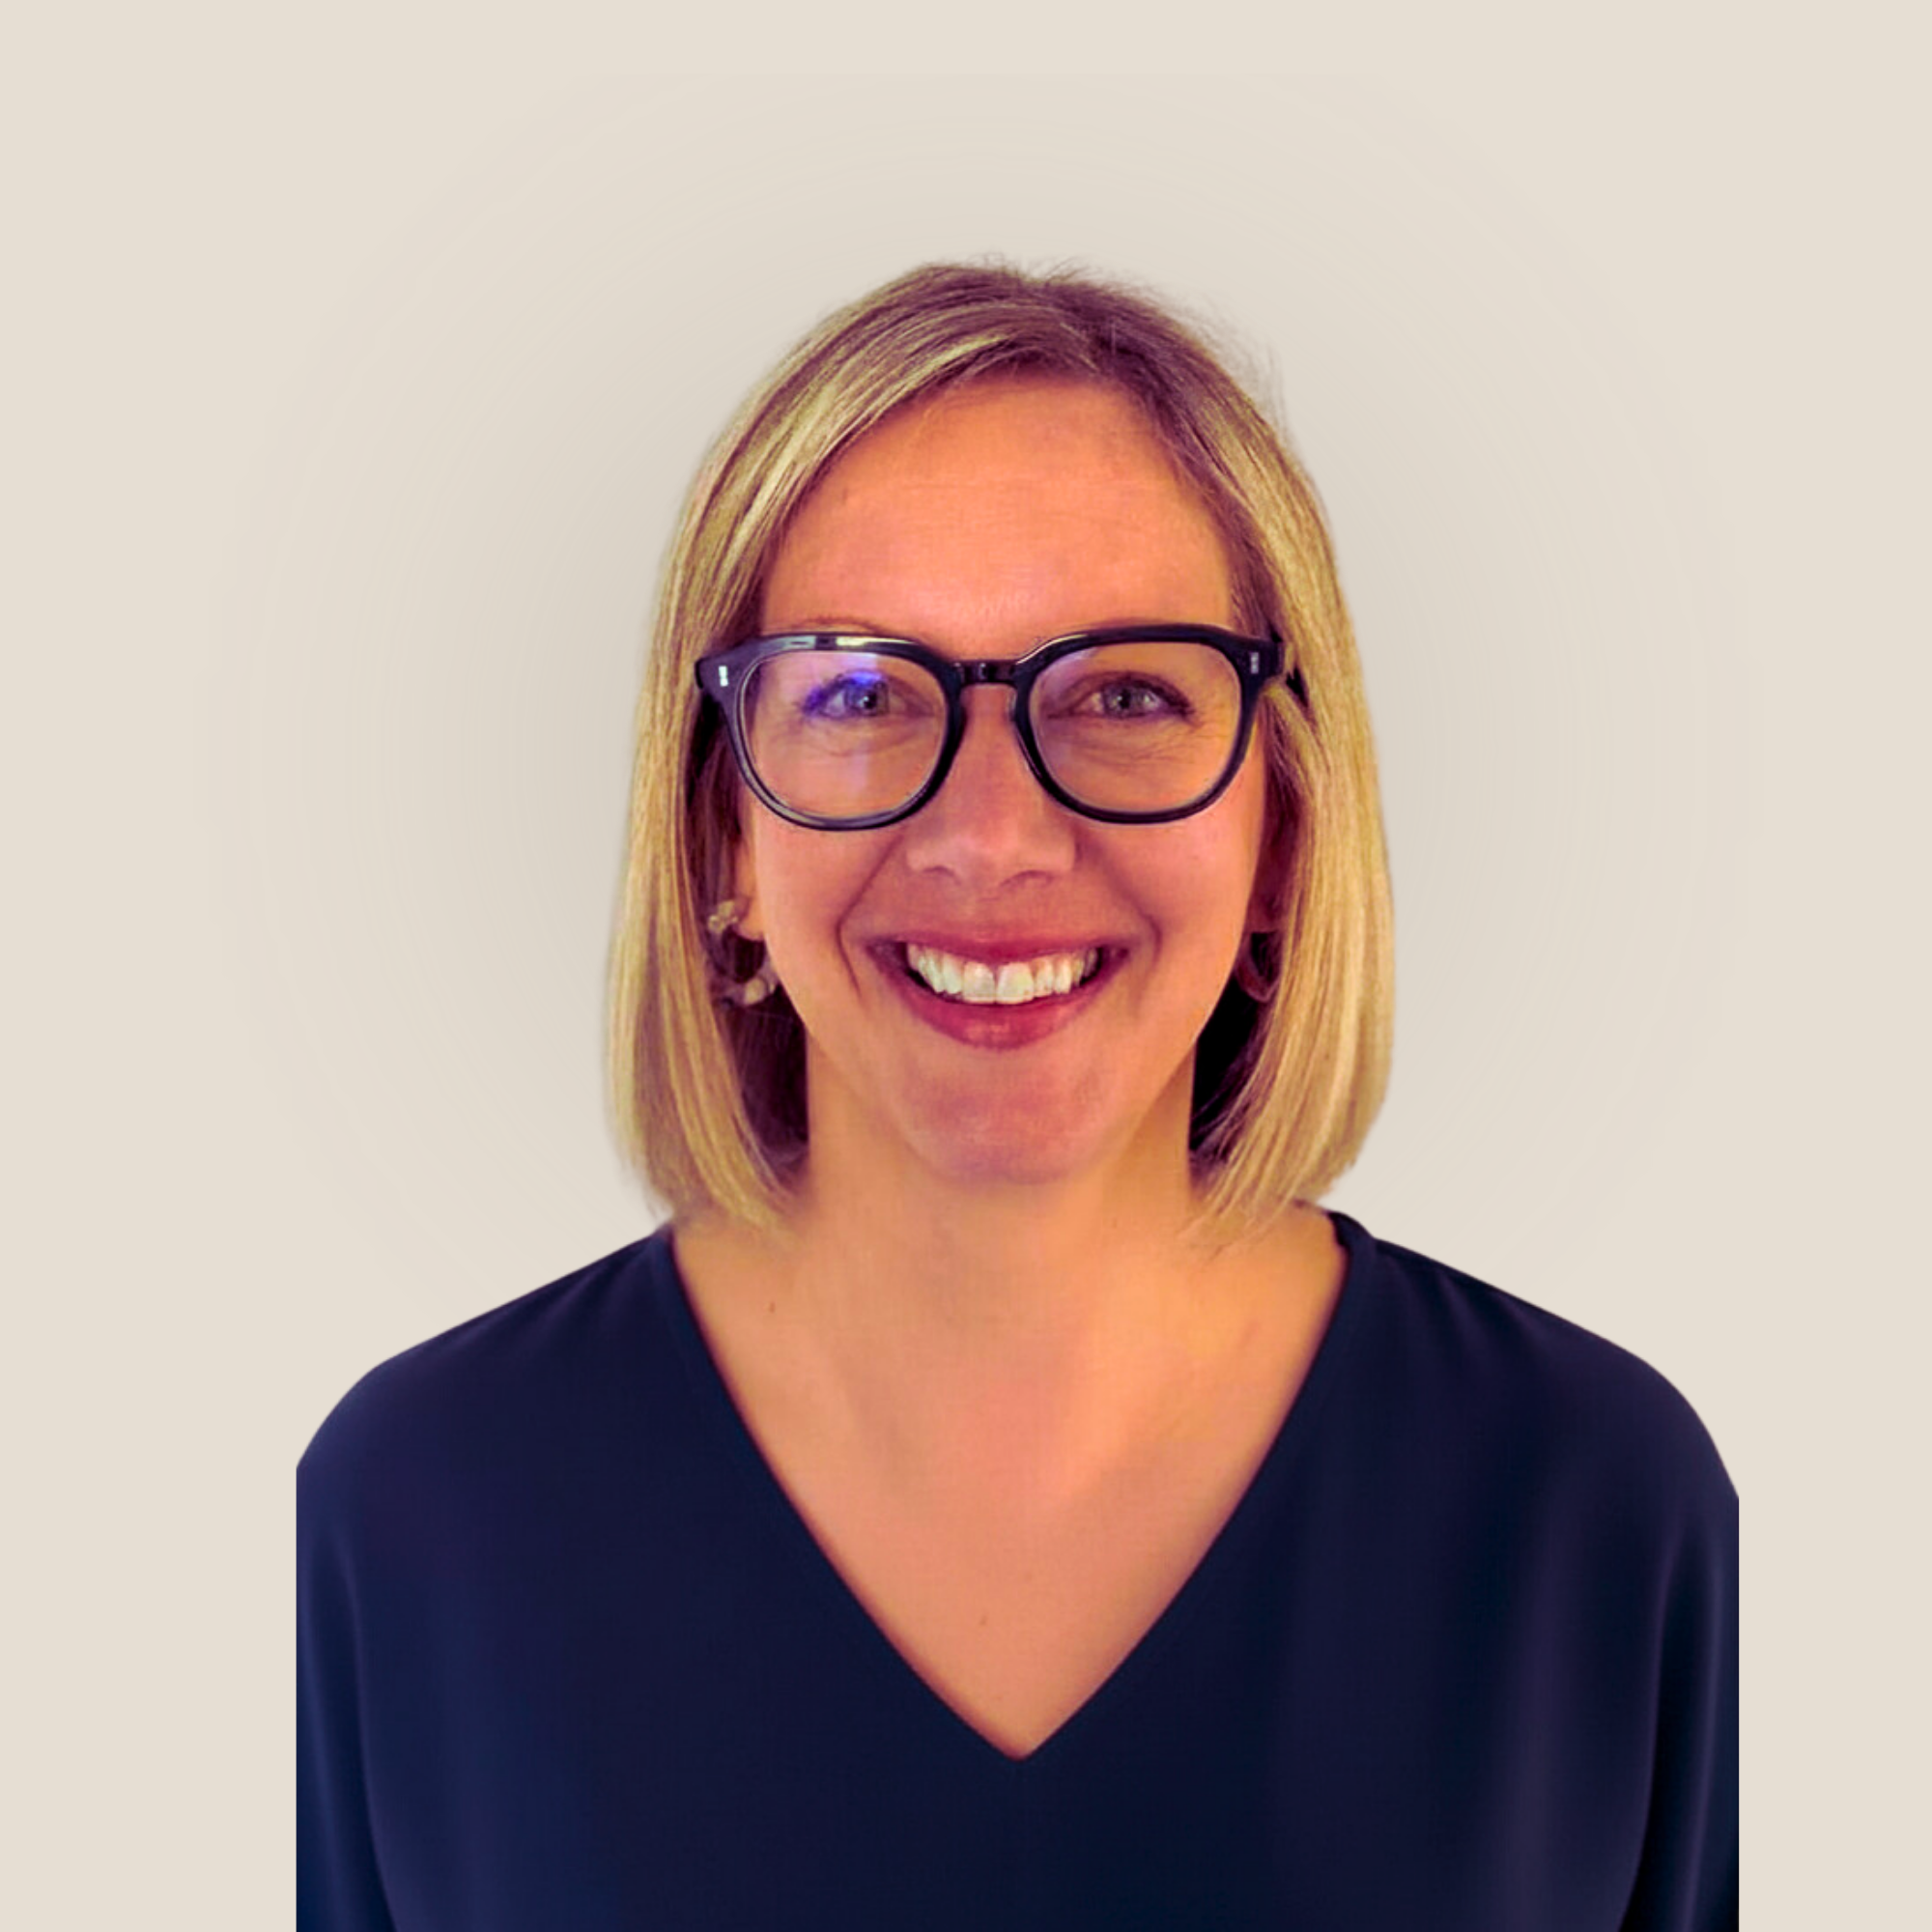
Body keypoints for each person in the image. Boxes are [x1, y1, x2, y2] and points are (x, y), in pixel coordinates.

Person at [298, 263, 1738, 1929]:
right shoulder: (417, 1509)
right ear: (722, 844)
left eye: (1126, 693)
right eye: (856, 693)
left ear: (1280, 832)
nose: (992, 837)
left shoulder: (1589, 1506)